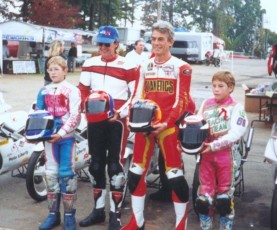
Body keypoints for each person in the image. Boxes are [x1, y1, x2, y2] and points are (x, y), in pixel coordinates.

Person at [122, 20, 193, 230]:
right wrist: (130, 116)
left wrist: (167, 122)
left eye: (161, 39)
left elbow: (182, 100)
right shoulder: (144, 65)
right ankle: (137, 221)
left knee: (174, 176)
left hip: (168, 127)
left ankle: (181, 225)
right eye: (153, 39)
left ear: (170, 41)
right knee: (135, 173)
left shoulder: (182, 67)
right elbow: (136, 95)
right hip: (144, 126)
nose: (156, 43)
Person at [78, 26, 139, 230]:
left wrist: (120, 112)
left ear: (116, 44)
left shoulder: (128, 64)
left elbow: (135, 94)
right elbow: (83, 89)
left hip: (117, 122)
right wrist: (85, 107)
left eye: (107, 43)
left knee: (115, 166)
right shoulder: (89, 63)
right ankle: (98, 211)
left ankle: (115, 215)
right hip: (95, 120)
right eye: (100, 43)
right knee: (95, 165)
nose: (103, 47)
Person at [195, 71, 248, 230]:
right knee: (204, 198)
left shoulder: (236, 107)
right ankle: (206, 226)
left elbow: (236, 133)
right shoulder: (206, 103)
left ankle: (225, 227)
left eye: (221, 86)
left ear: (230, 88)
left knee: (224, 198)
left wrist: (214, 145)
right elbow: (197, 126)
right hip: (207, 156)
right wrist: (187, 143)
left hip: (227, 156)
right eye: (214, 86)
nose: (216, 89)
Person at [36, 56, 81, 230]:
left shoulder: (72, 90)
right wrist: (34, 133)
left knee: (66, 175)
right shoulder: (43, 90)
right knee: (51, 175)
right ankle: (53, 215)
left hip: (66, 139)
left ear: (65, 70)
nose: (53, 72)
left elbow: (75, 116)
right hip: (49, 140)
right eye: (50, 69)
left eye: (57, 69)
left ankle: (70, 217)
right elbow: (37, 115)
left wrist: (61, 133)